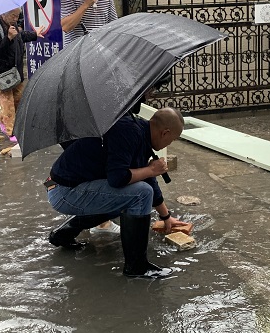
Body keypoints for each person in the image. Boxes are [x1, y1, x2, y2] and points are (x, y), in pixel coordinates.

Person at [45, 107, 189, 279]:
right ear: (165, 133)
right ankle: (137, 267)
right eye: (172, 140)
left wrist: (166, 217)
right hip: (64, 191)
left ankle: (64, 234)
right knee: (141, 194)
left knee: (127, 196)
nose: (169, 144)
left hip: (63, 186)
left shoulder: (140, 131)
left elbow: (145, 177)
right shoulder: (129, 132)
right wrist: (151, 170)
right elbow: (118, 178)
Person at [0, 8, 38, 142]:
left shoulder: (13, 25)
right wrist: (8, 38)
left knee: (18, 100)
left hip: (15, 71)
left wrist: (35, 34)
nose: (15, 19)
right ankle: (11, 131)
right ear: (4, 13)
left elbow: (21, 36)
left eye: (17, 16)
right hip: (2, 73)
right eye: (13, 16)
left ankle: (2, 119)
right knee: (8, 104)